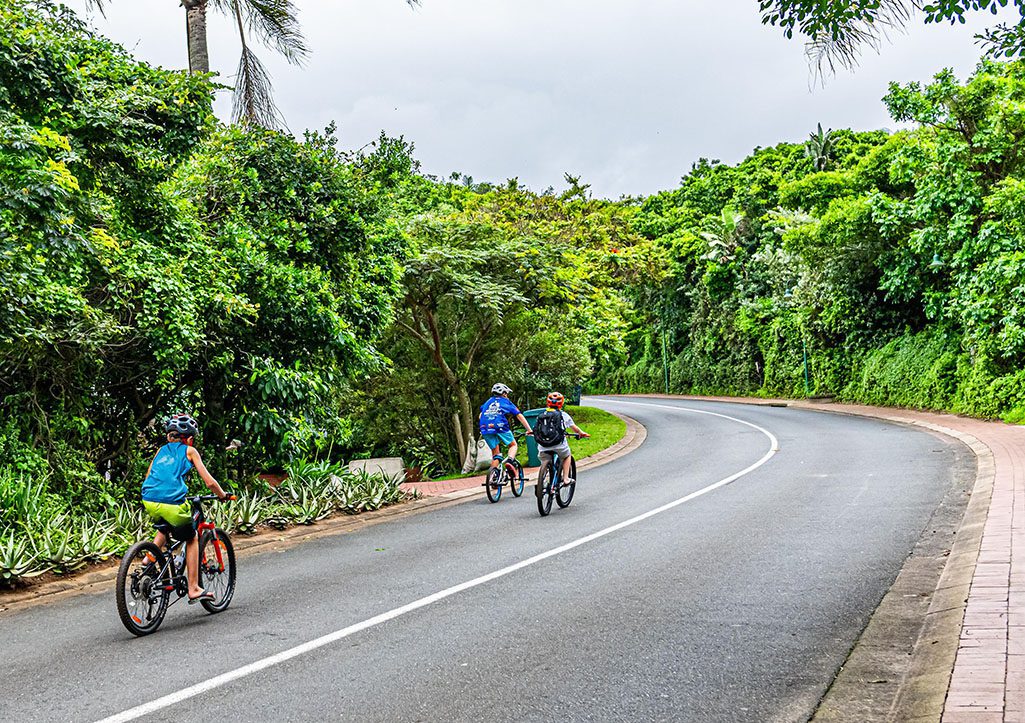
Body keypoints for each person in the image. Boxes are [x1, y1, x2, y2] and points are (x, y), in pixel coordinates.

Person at [141, 414, 229, 603]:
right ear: (189, 439)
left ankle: (149, 559)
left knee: (165, 526)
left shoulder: (161, 451)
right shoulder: (190, 451)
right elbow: (209, 482)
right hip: (171, 502)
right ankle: (194, 588)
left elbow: (149, 475)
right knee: (192, 537)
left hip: (148, 499)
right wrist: (222, 495)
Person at [533, 391, 589, 496]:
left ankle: (542, 478)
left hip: (543, 446)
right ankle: (566, 478)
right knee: (567, 456)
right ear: (561, 403)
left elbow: (536, 428)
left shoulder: (541, 415)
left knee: (545, 459)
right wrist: (581, 433)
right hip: (559, 445)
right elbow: (574, 428)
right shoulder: (563, 415)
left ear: (547, 403)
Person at [478, 383, 533, 473]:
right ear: (503, 393)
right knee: (513, 445)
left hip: (485, 428)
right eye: (506, 393)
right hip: (500, 426)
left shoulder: (488, 402)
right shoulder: (505, 401)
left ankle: (493, 477)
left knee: (496, 454)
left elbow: (481, 415)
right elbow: (519, 415)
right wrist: (529, 430)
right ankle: (510, 462)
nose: (507, 395)